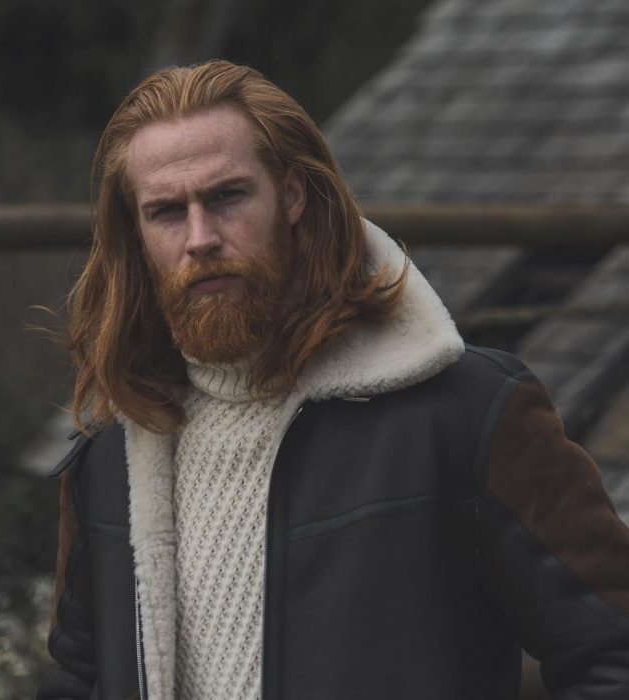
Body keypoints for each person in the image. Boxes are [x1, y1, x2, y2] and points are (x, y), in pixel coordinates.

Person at [38, 60, 629, 700]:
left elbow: (611, 655)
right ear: (136, 231)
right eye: (166, 212)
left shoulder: (467, 415)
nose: (200, 237)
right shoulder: (113, 454)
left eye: (228, 196)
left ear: (292, 196)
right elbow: (79, 679)